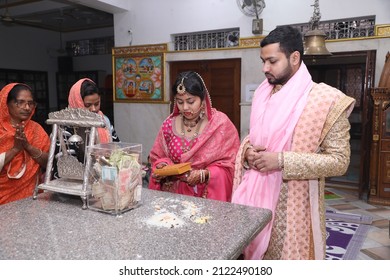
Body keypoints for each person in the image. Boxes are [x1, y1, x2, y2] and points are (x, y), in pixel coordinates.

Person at [231, 26, 356, 260]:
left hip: (295, 207)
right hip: (255, 202)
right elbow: (254, 138)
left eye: (272, 61)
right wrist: (247, 152)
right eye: (262, 61)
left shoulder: (327, 101)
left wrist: (280, 161)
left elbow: (340, 161)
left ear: (295, 58)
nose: (264, 68)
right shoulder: (263, 95)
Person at [148, 71, 240, 201]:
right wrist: (162, 166)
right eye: (180, 102)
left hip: (207, 197)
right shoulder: (169, 124)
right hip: (173, 197)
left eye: (190, 101)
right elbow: (158, 156)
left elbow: (231, 163)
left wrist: (205, 174)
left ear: (203, 100)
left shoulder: (219, 124)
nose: (185, 107)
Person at [52, 78, 120, 178]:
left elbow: (117, 148)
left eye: (97, 104)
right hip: (74, 181)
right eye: (88, 105)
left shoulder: (104, 121)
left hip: (103, 180)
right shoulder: (65, 126)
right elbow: (68, 164)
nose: (93, 109)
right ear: (77, 102)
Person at [0, 83, 50, 205]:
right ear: (6, 103)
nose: (27, 107)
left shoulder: (36, 129)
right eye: (20, 102)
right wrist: (15, 149)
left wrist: (27, 146)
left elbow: (48, 162)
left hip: (32, 198)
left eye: (30, 103)